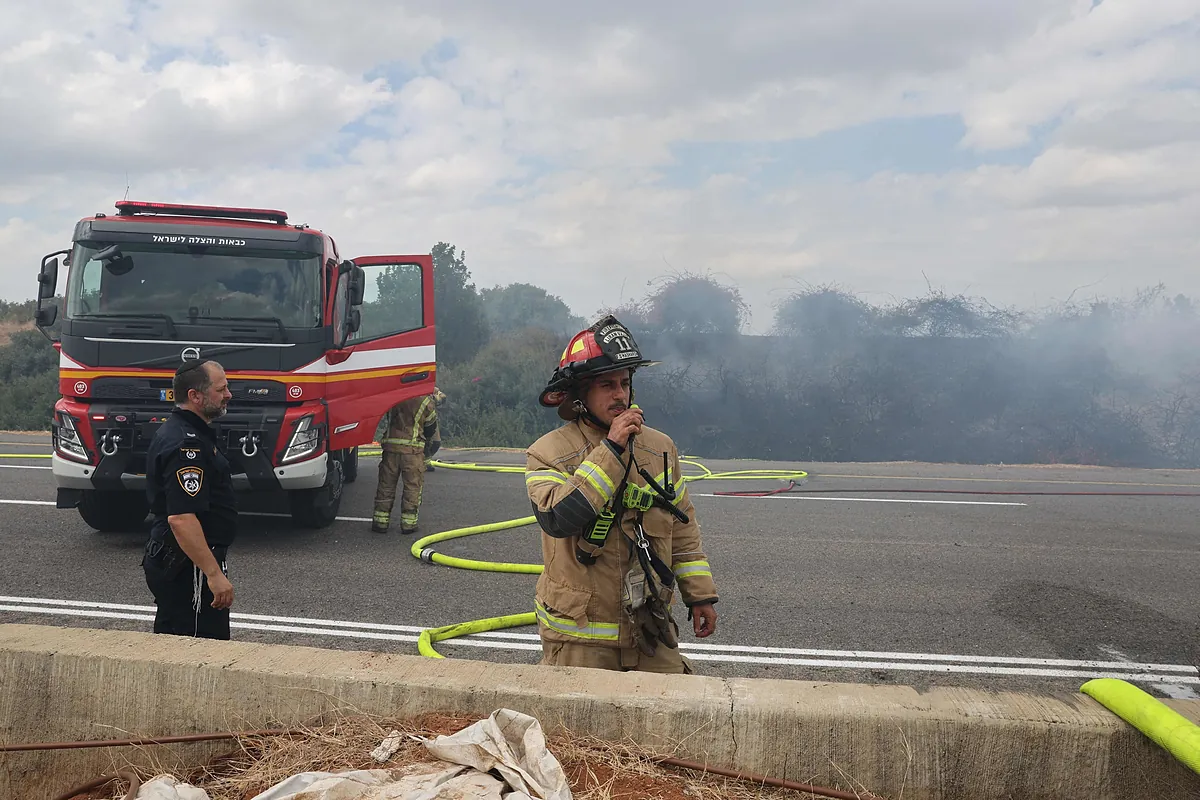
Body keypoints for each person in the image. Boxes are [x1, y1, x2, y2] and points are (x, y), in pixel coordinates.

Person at [525, 315, 718, 673]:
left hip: (649, 629)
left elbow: (683, 527)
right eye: (606, 385)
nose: (619, 394)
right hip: (579, 640)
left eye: (624, 383)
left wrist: (700, 594)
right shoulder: (548, 453)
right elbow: (557, 518)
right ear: (581, 394)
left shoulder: (660, 448)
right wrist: (612, 449)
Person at [141, 359, 237, 639]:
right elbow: (181, 517)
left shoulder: (189, 433)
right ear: (195, 396)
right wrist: (213, 574)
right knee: (200, 650)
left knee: (178, 639)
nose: (228, 394)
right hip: (186, 565)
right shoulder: (187, 444)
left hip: (186, 560)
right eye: (221, 389)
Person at [372, 389, 439, 534]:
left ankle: (380, 522)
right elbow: (431, 428)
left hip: (391, 449)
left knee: (386, 485)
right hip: (413, 452)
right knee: (412, 487)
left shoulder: (393, 394)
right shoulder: (426, 401)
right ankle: (409, 524)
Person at [424, 387, 447, 472]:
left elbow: (442, 397)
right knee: (422, 441)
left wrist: (437, 396)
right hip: (417, 419)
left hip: (430, 418)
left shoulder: (431, 388)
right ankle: (422, 462)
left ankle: (425, 461)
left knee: (436, 442)